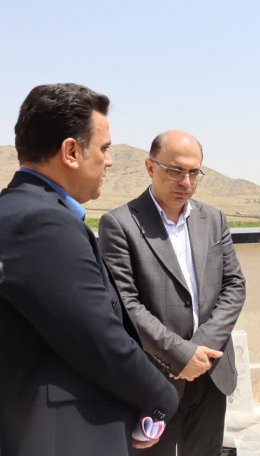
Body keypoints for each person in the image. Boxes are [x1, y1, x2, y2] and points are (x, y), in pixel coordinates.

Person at [0, 83, 179, 456]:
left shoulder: (23, 209)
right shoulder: (42, 222)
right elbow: (99, 338)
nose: (109, 161)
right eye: (104, 149)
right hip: (63, 436)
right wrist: (162, 397)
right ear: (70, 152)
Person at [99, 130, 247, 455]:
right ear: (150, 167)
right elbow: (125, 305)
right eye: (175, 171)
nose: (186, 182)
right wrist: (181, 355)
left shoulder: (214, 219)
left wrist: (199, 351)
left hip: (211, 371)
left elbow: (234, 286)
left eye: (194, 172)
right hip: (155, 378)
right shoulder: (120, 225)